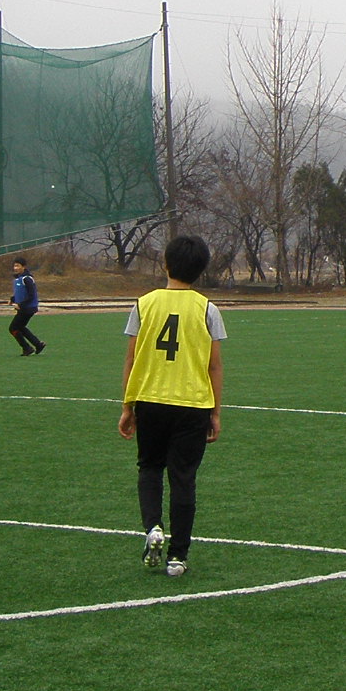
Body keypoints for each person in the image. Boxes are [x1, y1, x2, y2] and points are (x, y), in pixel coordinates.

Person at [119, 234, 225, 580]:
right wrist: (215, 412)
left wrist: (127, 405)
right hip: (192, 403)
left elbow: (132, 358)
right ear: (201, 270)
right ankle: (178, 556)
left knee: (149, 467)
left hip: (150, 399)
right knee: (183, 478)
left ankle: (153, 527)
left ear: (165, 264)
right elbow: (214, 366)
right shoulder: (207, 309)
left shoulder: (144, 303)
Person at [8, 258, 46, 356]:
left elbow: (31, 295)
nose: (15, 268)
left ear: (23, 267)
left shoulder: (27, 279)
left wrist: (20, 304)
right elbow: (20, 293)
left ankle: (27, 348)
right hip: (23, 308)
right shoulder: (18, 279)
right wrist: (12, 299)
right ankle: (38, 345)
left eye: (18, 266)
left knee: (13, 328)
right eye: (14, 265)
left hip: (27, 308)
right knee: (20, 327)